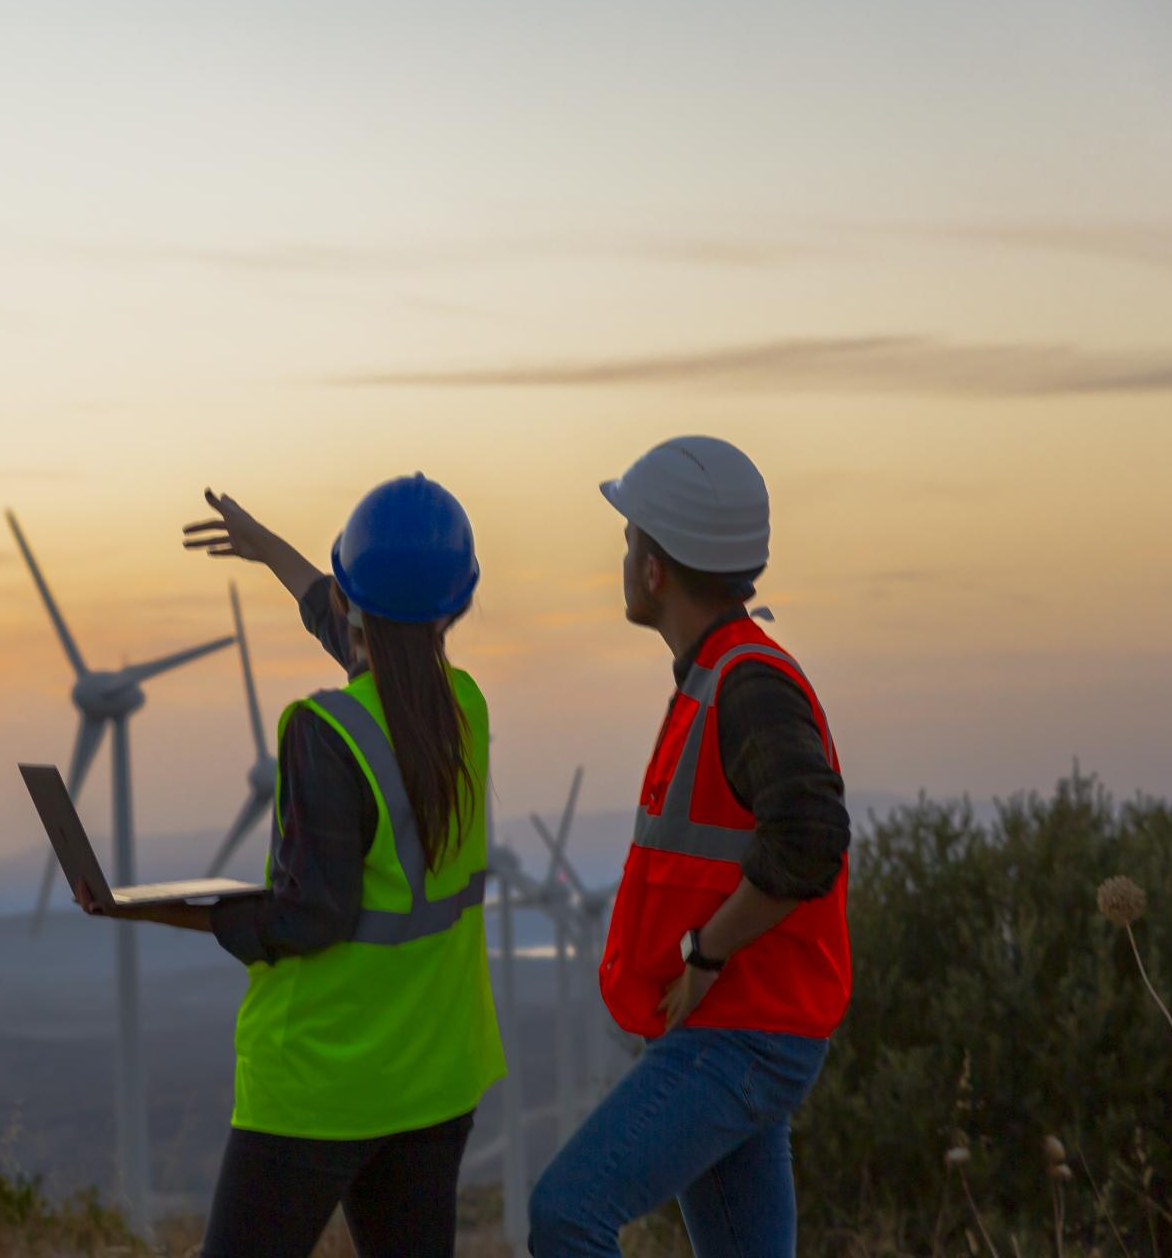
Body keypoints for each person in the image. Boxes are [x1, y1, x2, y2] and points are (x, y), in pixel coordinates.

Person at [73, 475, 505, 1258]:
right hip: (437, 1076)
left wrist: (167, 907)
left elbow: (311, 916)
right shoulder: (464, 708)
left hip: (320, 1081)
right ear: (457, 605)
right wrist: (269, 549)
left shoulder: (326, 731)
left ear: (351, 601)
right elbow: (366, 631)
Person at [527, 437, 852, 1258]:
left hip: (743, 1029)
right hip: (740, 1024)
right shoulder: (722, 672)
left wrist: (706, 952)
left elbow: (811, 835)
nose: (624, 551)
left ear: (655, 569)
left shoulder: (747, 682)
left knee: (567, 1214)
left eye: (630, 536)